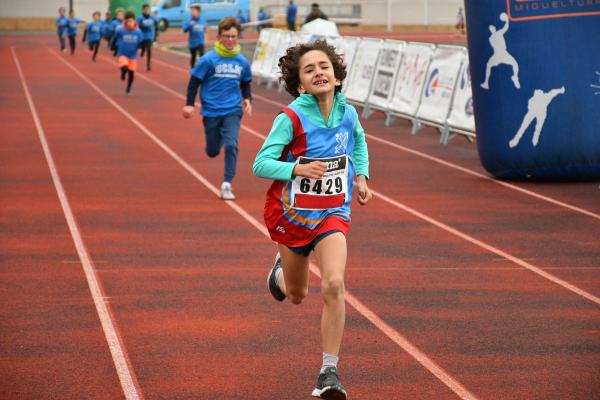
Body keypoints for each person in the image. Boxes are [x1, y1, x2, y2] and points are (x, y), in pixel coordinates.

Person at [252, 40, 371, 400]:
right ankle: (280, 273)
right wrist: (297, 167)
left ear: (336, 77)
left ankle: (328, 373)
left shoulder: (347, 113)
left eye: (324, 66)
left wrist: (362, 176)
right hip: (290, 215)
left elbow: (359, 142)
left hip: (332, 212)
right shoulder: (290, 118)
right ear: (300, 84)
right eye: (309, 69)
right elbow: (260, 164)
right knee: (298, 294)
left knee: (334, 283)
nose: (319, 72)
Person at [182, 16, 252, 201]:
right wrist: (189, 104)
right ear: (219, 37)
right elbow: (194, 82)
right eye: (226, 36)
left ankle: (227, 184)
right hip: (211, 111)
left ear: (238, 37)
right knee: (212, 151)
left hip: (232, 110)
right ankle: (218, 140)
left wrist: (247, 99)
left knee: (231, 145)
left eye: (233, 36)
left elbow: (245, 83)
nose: (230, 40)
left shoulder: (242, 62)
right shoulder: (208, 60)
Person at [481, 12, 520, 90]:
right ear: (491, 30)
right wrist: (506, 21)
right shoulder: (493, 37)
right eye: (491, 29)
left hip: (502, 53)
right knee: (488, 65)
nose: (492, 29)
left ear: (494, 28)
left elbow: (505, 27)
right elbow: (505, 28)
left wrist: (507, 20)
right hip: (498, 54)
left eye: (493, 28)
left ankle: (515, 77)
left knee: (515, 64)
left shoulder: (496, 35)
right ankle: (486, 83)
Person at [111, 11, 143, 95]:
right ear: (125, 21)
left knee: (131, 73)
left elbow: (140, 42)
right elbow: (115, 38)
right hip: (122, 53)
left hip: (133, 55)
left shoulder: (138, 31)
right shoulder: (121, 30)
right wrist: (113, 47)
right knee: (124, 67)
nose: (130, 23)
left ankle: (128, 88)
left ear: (134, 21)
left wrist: (140, 49)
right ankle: (123, 73)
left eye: (131, 21)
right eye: (128, 21)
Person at [138, 4, 155, 71]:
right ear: (143, 10)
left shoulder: (152, 17)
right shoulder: (140, 18)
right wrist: (143, 25)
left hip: (149, 36)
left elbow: (155, 25)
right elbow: (138, 26)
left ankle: (148, 65)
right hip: (142, 36)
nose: (147, 11)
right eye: (145, 9)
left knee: (149, 50)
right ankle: (142, 51)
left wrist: (155, 37)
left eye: (148, 9)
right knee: (143, 49)